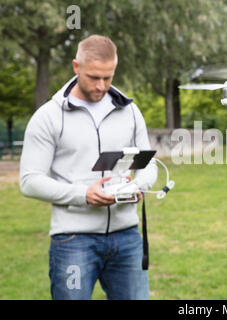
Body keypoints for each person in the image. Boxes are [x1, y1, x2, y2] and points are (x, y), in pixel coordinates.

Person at [19, 35, 157, 300]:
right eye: (94, 77)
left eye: (108, 77)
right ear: (76, 67)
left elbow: (148, 164)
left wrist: (139, 186)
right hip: (73, 240)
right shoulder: (49, 116)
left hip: (127, 237)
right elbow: (29, 181)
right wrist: (83, 195)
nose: (101, 85)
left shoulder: (129, 111)